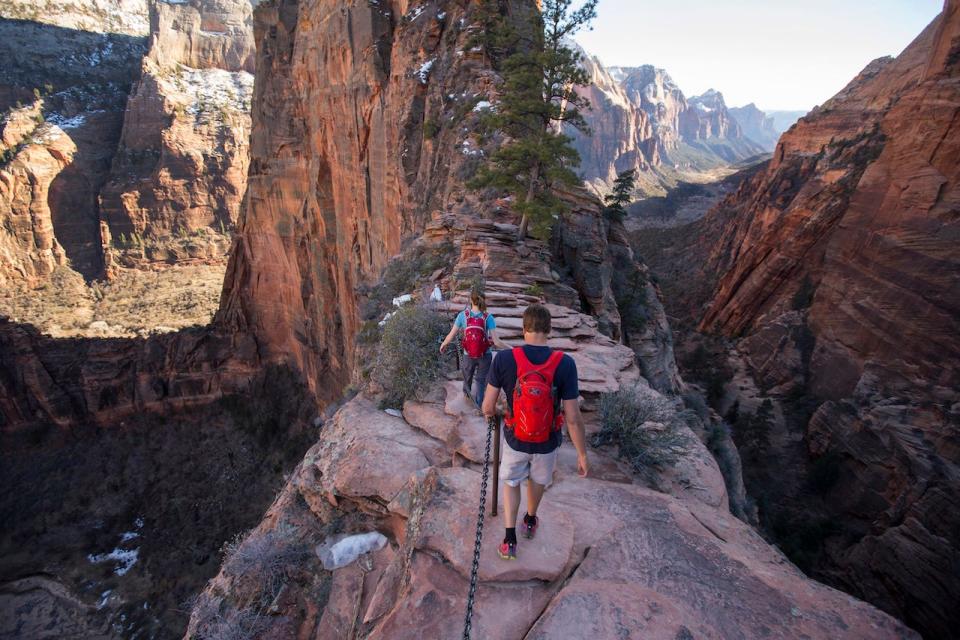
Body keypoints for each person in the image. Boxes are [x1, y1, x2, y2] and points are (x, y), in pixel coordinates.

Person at [481, 303, 588, 561]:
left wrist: (494, 415)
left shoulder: (505, 359)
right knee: (538, 480)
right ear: (549, 330)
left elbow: (487, 406)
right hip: (547, 441)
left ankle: (509, 540)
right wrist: (582, 454)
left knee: (511, 481)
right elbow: (572, 417)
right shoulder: (565, 364)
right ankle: (529, 521)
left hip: (515, 437)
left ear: (524, 328)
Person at [439, 290, 502, 406]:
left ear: (471, 301)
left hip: (468, 354)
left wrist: (444, 344)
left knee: (467, 376)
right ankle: (479, 403)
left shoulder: (463, 315)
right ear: (483, 300)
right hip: (485, 353)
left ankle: (466, 395)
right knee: (481, 380)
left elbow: (451, 334)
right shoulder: (488, 317)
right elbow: (496, 341)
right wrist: (512, 348)